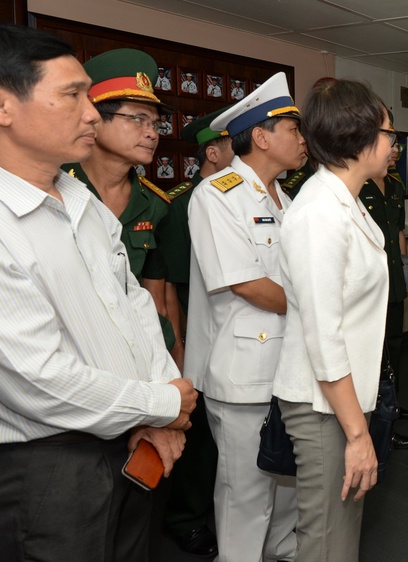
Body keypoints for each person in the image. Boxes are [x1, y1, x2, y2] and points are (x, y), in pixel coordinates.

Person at [0, 22, 196, 561]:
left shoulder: (77, 197)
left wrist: (158, 411)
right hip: (45, 471)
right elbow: (37, 379)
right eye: (72, 96)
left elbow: (136, 306)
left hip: (129, 440)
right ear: (0, 105)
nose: (92, 113)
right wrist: (164, 402)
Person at [273, 78, 392, 562]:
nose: (393, 146)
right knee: (327, 544)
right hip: (323, 407)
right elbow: (324, 337)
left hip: (344, 399)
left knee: (341, 535)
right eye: (388, 134)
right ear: (357, 136)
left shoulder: (348, 201)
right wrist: (358, 435)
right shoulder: (320, 213)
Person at [185, 72, 301, 562]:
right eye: (293, 129)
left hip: (289, 368)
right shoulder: (218, 196)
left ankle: (281, 551)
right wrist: (317, 310)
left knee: (288, 484)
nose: (302, 139)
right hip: (243, 374)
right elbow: (247, 284)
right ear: (260, 136)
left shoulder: (289, 200)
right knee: (245, 495)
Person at [62, 47, 183, 367]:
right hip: (71, 356)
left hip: (136, 356)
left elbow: (156, 300)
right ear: (94, 119)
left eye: (156, 124)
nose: (151, 133)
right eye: (137, 119)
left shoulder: (155, 204)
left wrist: (173, 371)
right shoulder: (55, 187)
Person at [159, 106, 234, 559]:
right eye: (233, 146)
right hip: (197, 333)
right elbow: (171, 283)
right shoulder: (184, 204)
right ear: (213, 151)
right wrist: (181, 349)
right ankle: (185, 518)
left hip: (233, 332)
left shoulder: (239, 196)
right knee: (200, 431)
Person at [360, 115, 408, 449]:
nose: (395, 151)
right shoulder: (357, 186)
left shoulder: (394, 186)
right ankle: (377, 419)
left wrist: (407, 272)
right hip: (369, 287)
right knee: (373, 353)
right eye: (390, 144)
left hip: (393, 280)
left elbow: (397, 232)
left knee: (394, 347)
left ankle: (390, 404)